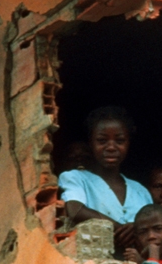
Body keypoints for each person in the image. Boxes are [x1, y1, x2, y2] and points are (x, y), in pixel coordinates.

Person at [58, 106, 152, 250]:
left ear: (128, 143)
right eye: (102, 141)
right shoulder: (75, 178)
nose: (111, 147)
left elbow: (154, 228)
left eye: (119, 141)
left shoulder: (141, 191)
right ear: (90, 143)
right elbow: (75, 210)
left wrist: (136, 229)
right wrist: (118, 228)